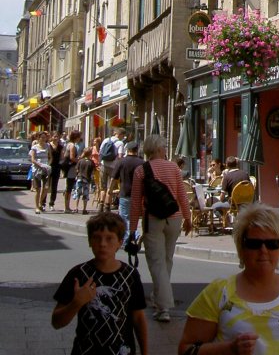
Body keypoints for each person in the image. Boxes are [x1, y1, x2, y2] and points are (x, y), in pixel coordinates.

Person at [177, 201, 279, 355]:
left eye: (272, 244)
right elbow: (185, 350)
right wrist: (230, 349)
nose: (263, 250)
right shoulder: (219, 293)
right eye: (254, 244)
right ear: (241, 248)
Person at [52, 210, 148, 355]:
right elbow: (57, 322)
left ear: (119, 243)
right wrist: (76, 303)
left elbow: (138, 318)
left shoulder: (130, 275)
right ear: (90, 241)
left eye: (109, 238)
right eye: (97, 238)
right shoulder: (78, 274)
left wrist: (145, 351)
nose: (102, 244)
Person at [129, 133, 192, 324]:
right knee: (166, 260)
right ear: (158, 149)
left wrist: (132, 228)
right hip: (174, 219)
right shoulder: (173, 167)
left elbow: (135, 203)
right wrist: (188, 218)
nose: (166, 150)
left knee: (156, 262)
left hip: (153, 219)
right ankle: (159, 300)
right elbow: (182, 195)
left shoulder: (141, 170)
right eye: (164, 147)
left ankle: (163, 307)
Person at [110, 139, 143, 233]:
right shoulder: (142, 163)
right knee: (134, 218)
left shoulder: (121, 162)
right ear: (137, 150)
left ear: (127, 149)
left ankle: (132, 236)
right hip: (138, 195)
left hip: (125, 193)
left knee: (124, 218)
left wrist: (110, 190)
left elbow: (114, 178)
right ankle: (132, 235)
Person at [99, 128, 127, 210]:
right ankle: (107, 206)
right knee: (110, 187)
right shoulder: (120, 143)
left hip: (103, 165)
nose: (123, 137)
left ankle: (101, 205)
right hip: (113, 167)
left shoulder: (106, 140)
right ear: (120, 134)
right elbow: (120, 156)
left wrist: (100, 162)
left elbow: (100, 152)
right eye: (123, 136)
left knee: (103, 187)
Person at [29, 130, 51, 213]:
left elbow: (50, 156)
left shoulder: (47, 146)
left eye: (45, 138)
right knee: (38, 189)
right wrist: (40, 164)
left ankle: (40, 202)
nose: (43, 139)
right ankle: (37, 206)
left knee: (46, 188)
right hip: (37, 169)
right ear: (38, 138)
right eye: (42, 138)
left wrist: (48, 164)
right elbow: (33, 159)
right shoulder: (34, 147)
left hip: (45, 168)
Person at [63, 130, 83, 213]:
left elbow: (64, 155)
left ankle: (67, 206)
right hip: (71, 168)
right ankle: (66, 207)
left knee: (68, 186)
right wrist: (79, 160)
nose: (80, 138)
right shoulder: (72, 146)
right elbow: (71, 157)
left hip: (68, 168)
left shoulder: (68, 144)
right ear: (76, 137)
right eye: (79, 136)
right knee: (69, 187)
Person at [74, 149, 96, 214]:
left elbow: (76, 169)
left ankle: (76, 208)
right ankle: (84, 209)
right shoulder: (91, 162)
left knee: (78, 193)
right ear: (90, 154)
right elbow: (93, 171)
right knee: (85, 194)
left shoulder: (80, 161)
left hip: (79, 178)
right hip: (86, 179)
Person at [48, 130, 65, 210]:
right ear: (51, 137)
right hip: (48, 167)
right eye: (54, 136)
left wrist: (62, 165)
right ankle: (43, 203)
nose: (56, 138)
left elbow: (62, 157)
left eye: (57, 136)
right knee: (46, 186)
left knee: (54, 186)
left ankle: (52, 203)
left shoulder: (60, 147)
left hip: (56, 167)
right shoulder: (48, 146)